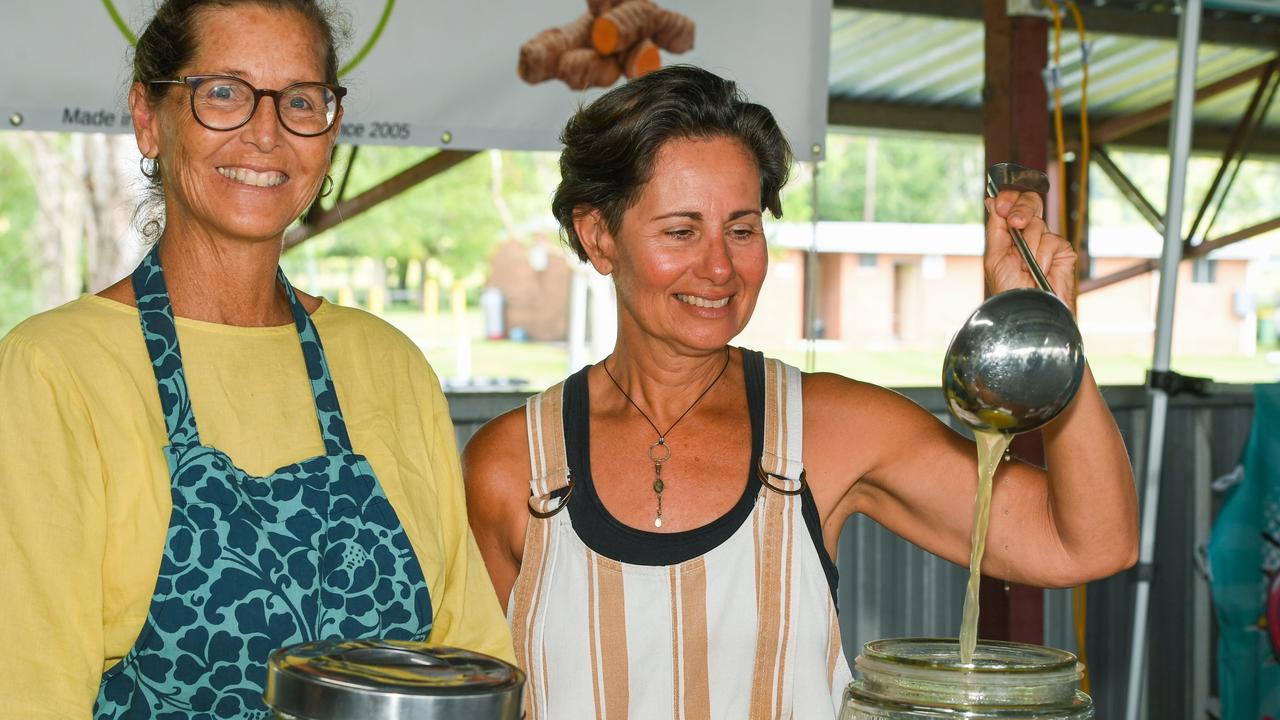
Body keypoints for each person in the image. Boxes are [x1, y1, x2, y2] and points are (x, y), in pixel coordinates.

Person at [463, 65, 1138, 718]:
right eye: (680, 231)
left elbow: (1085, 543)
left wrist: (1048, 329)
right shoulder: (511, 467)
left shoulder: (828, 428)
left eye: (742, 228)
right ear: (599, 235)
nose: (720, 266)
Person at [0, 1, 511, 717]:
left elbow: (468, 670)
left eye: (301, 100)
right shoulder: (57, 370)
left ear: (330, 128)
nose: (266, 133)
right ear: (150, 117)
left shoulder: (389, 365)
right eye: (223, 93)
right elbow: (30, 691)